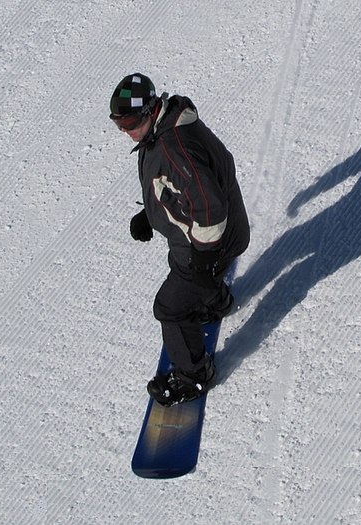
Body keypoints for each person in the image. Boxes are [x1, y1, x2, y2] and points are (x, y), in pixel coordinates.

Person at [109, 73, 249, 406]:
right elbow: (184, 187)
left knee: (169, 307)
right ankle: (214, 301)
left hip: (210, 242)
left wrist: (203, 260)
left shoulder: (173, 148)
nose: (124, 131)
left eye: (128, 121)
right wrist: (150, 211)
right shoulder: (165, 129)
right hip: (205, 238)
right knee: (185, 271)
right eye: (118, 123)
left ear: (149, 110)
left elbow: (210, 210)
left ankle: (195, 375)